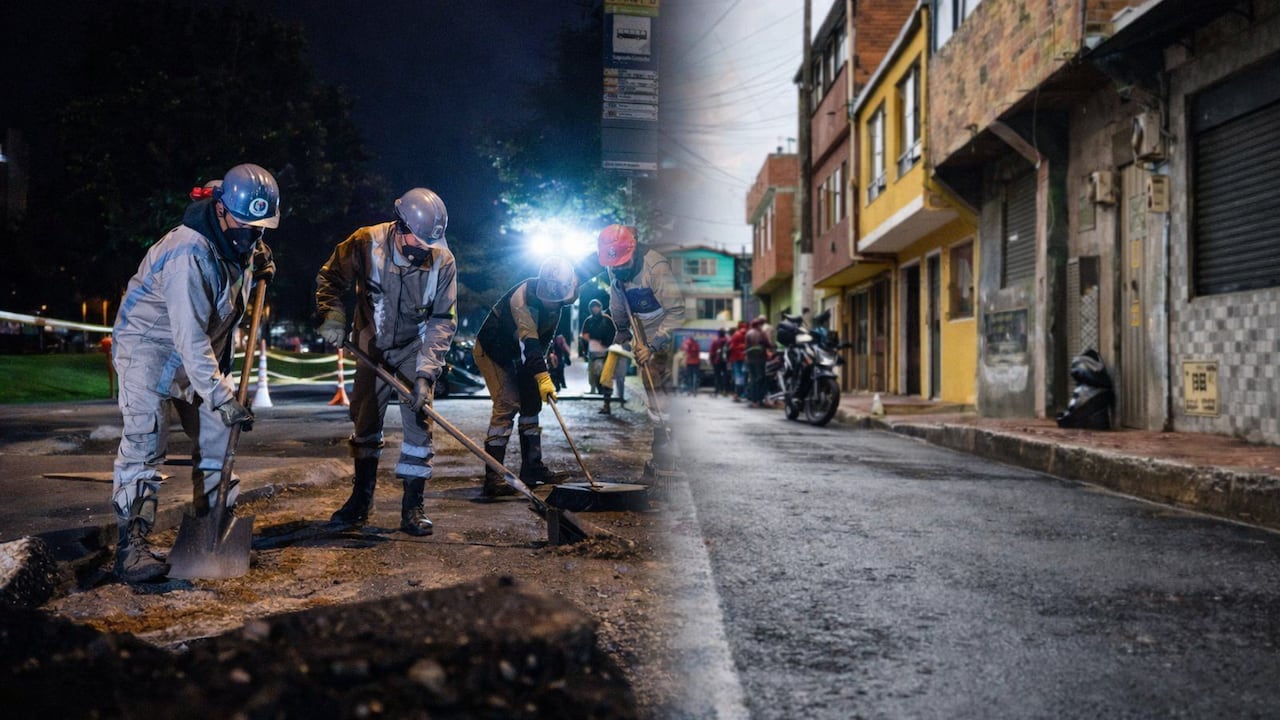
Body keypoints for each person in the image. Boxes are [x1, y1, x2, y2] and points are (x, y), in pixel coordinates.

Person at [110, 163, 279, 583]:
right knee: (145, 442)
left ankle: (212, 528)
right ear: (221, 210)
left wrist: (258, 259)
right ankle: (131, 547)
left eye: (261, 228)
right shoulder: (190, 253)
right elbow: (190, 340)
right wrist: (224, 398)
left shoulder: (241, 240)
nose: (252, 233)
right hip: (148, 348)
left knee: (217, 441)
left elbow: (210, 332)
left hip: (196, 354)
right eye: (246, 224)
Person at [316, 188, 457, 536]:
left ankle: (413, 508)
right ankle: (360, 503)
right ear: (400, 225)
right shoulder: (365, 242)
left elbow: (442, 319)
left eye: (430, 243)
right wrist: (332, 316)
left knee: (419, 427)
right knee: (364, 421)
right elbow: (330, 278)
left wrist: (426, 375)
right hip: (371, 344)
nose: (423, 249)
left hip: (415, 347)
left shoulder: (443, 259)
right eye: (418, 240)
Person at [472, 256, 580, 498]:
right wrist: (542, 377)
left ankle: (532, 469)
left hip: (522, 353)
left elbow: (537, 345)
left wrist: (539, 368)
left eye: (557, 302)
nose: (552, 305)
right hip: (493, 351)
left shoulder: (565, 290)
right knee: (508, 402)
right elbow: (529, 342)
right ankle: (494, 477)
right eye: (549, 301)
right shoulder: (521, 300)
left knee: (532, 404)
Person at [597, 224, 685, 473]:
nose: (617, 271)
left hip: (664, 328)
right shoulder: (614, 266)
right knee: (650, 385)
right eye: (614, 266)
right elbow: (617, 300)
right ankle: (663, 447)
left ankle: (665, 451)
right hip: (640, 330)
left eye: (622, 265)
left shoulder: (656, 268)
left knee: (658, 386)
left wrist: (656, 344)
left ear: (633, 252)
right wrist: (622, 329)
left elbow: (677, 312)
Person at [581, 298, 617, 413]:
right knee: (596, 376)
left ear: (600, 307)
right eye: (592, 307)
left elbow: (614, 334)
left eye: (596, 306)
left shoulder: (607, 320)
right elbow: (584, 335)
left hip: (607, 352)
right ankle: (604, 398)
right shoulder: (588, 321)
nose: (594, 309)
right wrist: (586, 347)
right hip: (593, 353)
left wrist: (607, 345)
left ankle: (607, 404)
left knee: (606, 378)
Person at [745, 315, 772, 407]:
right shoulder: (761, 333)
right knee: (760, 379)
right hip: (760, 359)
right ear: (759, 325)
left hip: (750, 359)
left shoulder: (748, 333)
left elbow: (746, 346)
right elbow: (768, 344)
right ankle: (759, 399)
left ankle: (754, 400)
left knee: (753, 379)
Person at [729, 320, 748, 402]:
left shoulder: (736, 334)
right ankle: (743, 393)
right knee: (744, 375)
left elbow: (732, 347)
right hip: (745, 358)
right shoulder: (747, 333)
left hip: (736, 358)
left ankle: (737, 394)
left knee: (738, 376)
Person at [709, 328, 730, 397]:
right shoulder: (728, 341)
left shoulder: (715, 341)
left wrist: (711, 360)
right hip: (725, 361)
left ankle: (717, 390)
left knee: (717, 376)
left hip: (717, 361)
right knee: (725, 375)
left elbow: (712, 352)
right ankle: (726, 390)